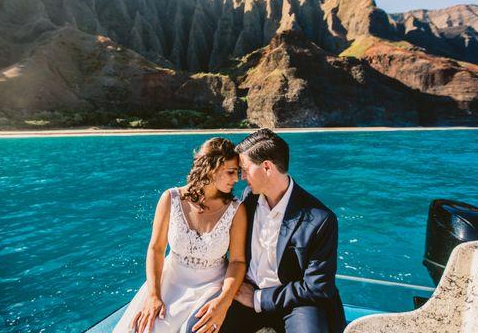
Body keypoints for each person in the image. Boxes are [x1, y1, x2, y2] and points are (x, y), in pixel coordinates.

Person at [189, 128, 346, 332]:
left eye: (245, 169)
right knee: (197, 328)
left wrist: (257, 298)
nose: (242, 177)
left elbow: (317, 288)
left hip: (297, 303)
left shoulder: (320, 219)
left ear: (267, 167)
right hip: (245, 291)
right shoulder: (248, 201)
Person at [113, 137, 247, 333]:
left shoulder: (236, 210)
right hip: (170, 282)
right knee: (144, 328)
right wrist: (153, 295)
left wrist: (224, 301)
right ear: (210, 168)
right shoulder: (171, 198)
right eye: (231, 172)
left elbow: (237, 262)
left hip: (211, 285)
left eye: (238, 172)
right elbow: (156, 249)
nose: (236, 179)